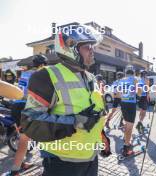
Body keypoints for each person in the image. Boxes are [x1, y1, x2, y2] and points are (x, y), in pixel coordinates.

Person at [20, 24, 111, 176]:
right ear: (70, 47)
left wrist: (102, 138)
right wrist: (75, 122)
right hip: (61, 162)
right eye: (88, 46)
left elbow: (95, 113)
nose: (92, 51)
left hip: (90, 158)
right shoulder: (46, 76)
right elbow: (31, 122)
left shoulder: (91, 77)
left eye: (93, 46)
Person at [4, 54, 48, 176]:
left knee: (24, 140)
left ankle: (19, 165)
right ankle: (15, 171)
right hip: (27, 107)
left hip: (17, 107)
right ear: (43, 65)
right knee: (40, 136)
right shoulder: (41, 75)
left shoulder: (25, 73)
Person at [118, 65, 141, 156]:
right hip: (131, 104)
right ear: (133, 72)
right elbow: (139, 92)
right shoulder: (135, 79)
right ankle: (126, 147)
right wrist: (136, 96)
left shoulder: (122, 80)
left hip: (123, 103)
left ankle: (127, 141)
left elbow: (119, 92)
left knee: (127, 124)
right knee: (129, 126)